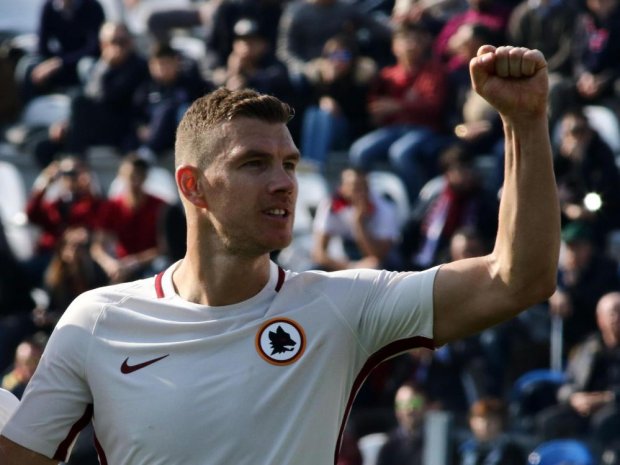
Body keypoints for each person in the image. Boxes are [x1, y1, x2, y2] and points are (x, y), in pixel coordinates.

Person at [0, 44, 560, 464]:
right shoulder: (97, 321)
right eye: (254, 164)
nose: (284, 183)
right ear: (193, 186)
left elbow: (518, 279)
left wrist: (525, 122)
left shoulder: (341, 307)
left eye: (289, 164)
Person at [311, 167, 403, 271]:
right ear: (342, 188)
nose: (362, 192)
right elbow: (318, 253)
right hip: (346, 259)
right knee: (313, 269)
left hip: (375, 257)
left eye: (365, 187)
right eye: (356, 187)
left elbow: (378, 255)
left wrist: (359, 223)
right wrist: (350, 267)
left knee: (379, 268)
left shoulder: (384, 208)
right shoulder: (330, 206)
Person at [455, 397, 526, 465]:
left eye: (491, 421)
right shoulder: (462, 450)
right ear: (471, 422)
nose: (485, 426)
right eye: (481, 420)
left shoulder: (511, 452)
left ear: (501, 423)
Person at [376, 382, 428, 465]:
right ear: (396, 410)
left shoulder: (438, 441)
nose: (410, 409)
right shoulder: (389, 446)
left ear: (425, 405)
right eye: (403, 405)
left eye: (415, 403)